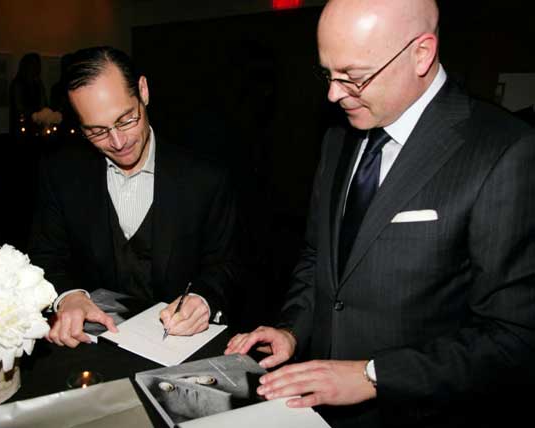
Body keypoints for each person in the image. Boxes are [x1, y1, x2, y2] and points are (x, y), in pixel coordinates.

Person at [225, 0, 535, 426]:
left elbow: (515, 336)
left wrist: (374, 375)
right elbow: (320, 259)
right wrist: (293, 329)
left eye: (353, 77)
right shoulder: (339, 136)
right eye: (327, 74)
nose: (333, 94)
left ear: (421, 54)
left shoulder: (505, 151)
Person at [29, 46, 240, 348]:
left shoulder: (205, 175)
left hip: (182, 348)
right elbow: (45, 255)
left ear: (143, 91)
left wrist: (203, 297)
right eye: (97, 131)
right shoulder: (61, 173)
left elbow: (227, 263)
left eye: (126, 119)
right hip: (95, 349)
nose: (117, 142)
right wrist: (69, 296)